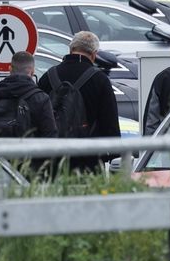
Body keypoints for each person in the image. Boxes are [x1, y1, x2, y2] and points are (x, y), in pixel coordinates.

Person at [38, 31, 120, 172]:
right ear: (94, 54)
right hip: (89, 157)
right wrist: (116, 158)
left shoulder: (48, 76)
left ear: (71, 49)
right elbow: (110, 122)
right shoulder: (99, 79)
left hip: (54, 157)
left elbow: (39, 115)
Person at [0, 51, 56, 139]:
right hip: (30, 148)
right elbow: (50, 135)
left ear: (10, 69)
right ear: (32, 71)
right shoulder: (41, 99)